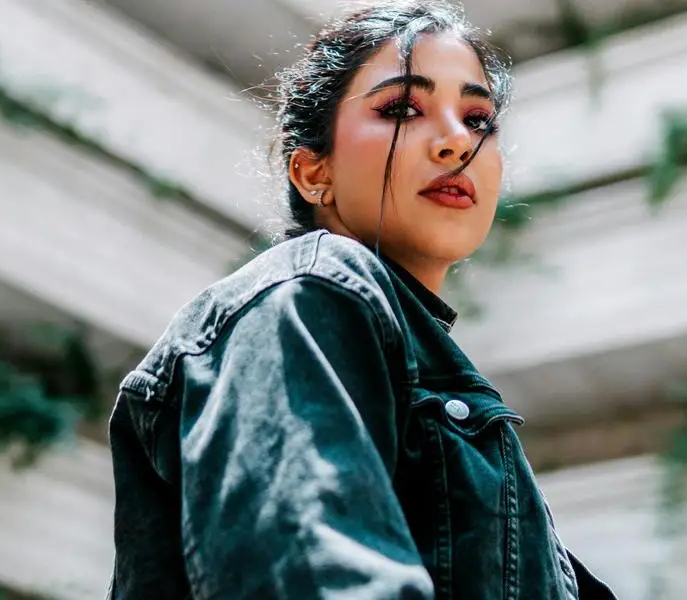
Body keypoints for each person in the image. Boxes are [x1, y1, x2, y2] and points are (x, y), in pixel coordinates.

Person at [106, 1, 618, 598]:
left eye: (479, 118)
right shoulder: (308, 292)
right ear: (311, 171)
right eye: (403, 108)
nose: (458, 142)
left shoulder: (461, 418)